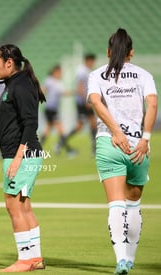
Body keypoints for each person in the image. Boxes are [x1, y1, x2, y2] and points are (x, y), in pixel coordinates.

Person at [87, 28, 157, 275]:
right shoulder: (144, 75)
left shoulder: (96, 75)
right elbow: (153, 103)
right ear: (131, 53)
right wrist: (146, 138)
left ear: (108, 52)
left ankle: (120, 261)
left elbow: (95, 102)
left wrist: (115, 132)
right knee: (133, 204)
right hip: (138, 145)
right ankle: (130, 257)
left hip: (110, 143)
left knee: (115, 205)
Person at [0, 44, 46, 272]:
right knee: (24, 207)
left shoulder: (20, 86)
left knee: (13, 207)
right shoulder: (16, 83)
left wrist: (17, 157)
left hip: (21, 154)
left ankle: (25, 260)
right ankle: (35, 259)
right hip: (22, 153)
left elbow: (31, 122)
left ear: (9, 63)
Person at [40, 64, 75, 156]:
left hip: (52, 110)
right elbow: (43, 89)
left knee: (47, 130)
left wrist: (72, 92)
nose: (61, 74)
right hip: (50, 110)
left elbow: (63, 93)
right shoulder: (50, 80)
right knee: (61, 130)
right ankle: (68, 150)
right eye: (60, 72)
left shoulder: (58, 83)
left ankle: (37, 149)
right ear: (56, 71)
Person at [66, 53, 97, 155]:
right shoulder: (82, 71)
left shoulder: (86, 71)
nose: (93, 63)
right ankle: (62, 141)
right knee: (82, 126)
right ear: (88, 60)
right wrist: (86, 101)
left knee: (92, 124)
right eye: (92, 61)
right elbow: (79, 88)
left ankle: (94, 149)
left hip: (83, 102)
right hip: (82, 102)